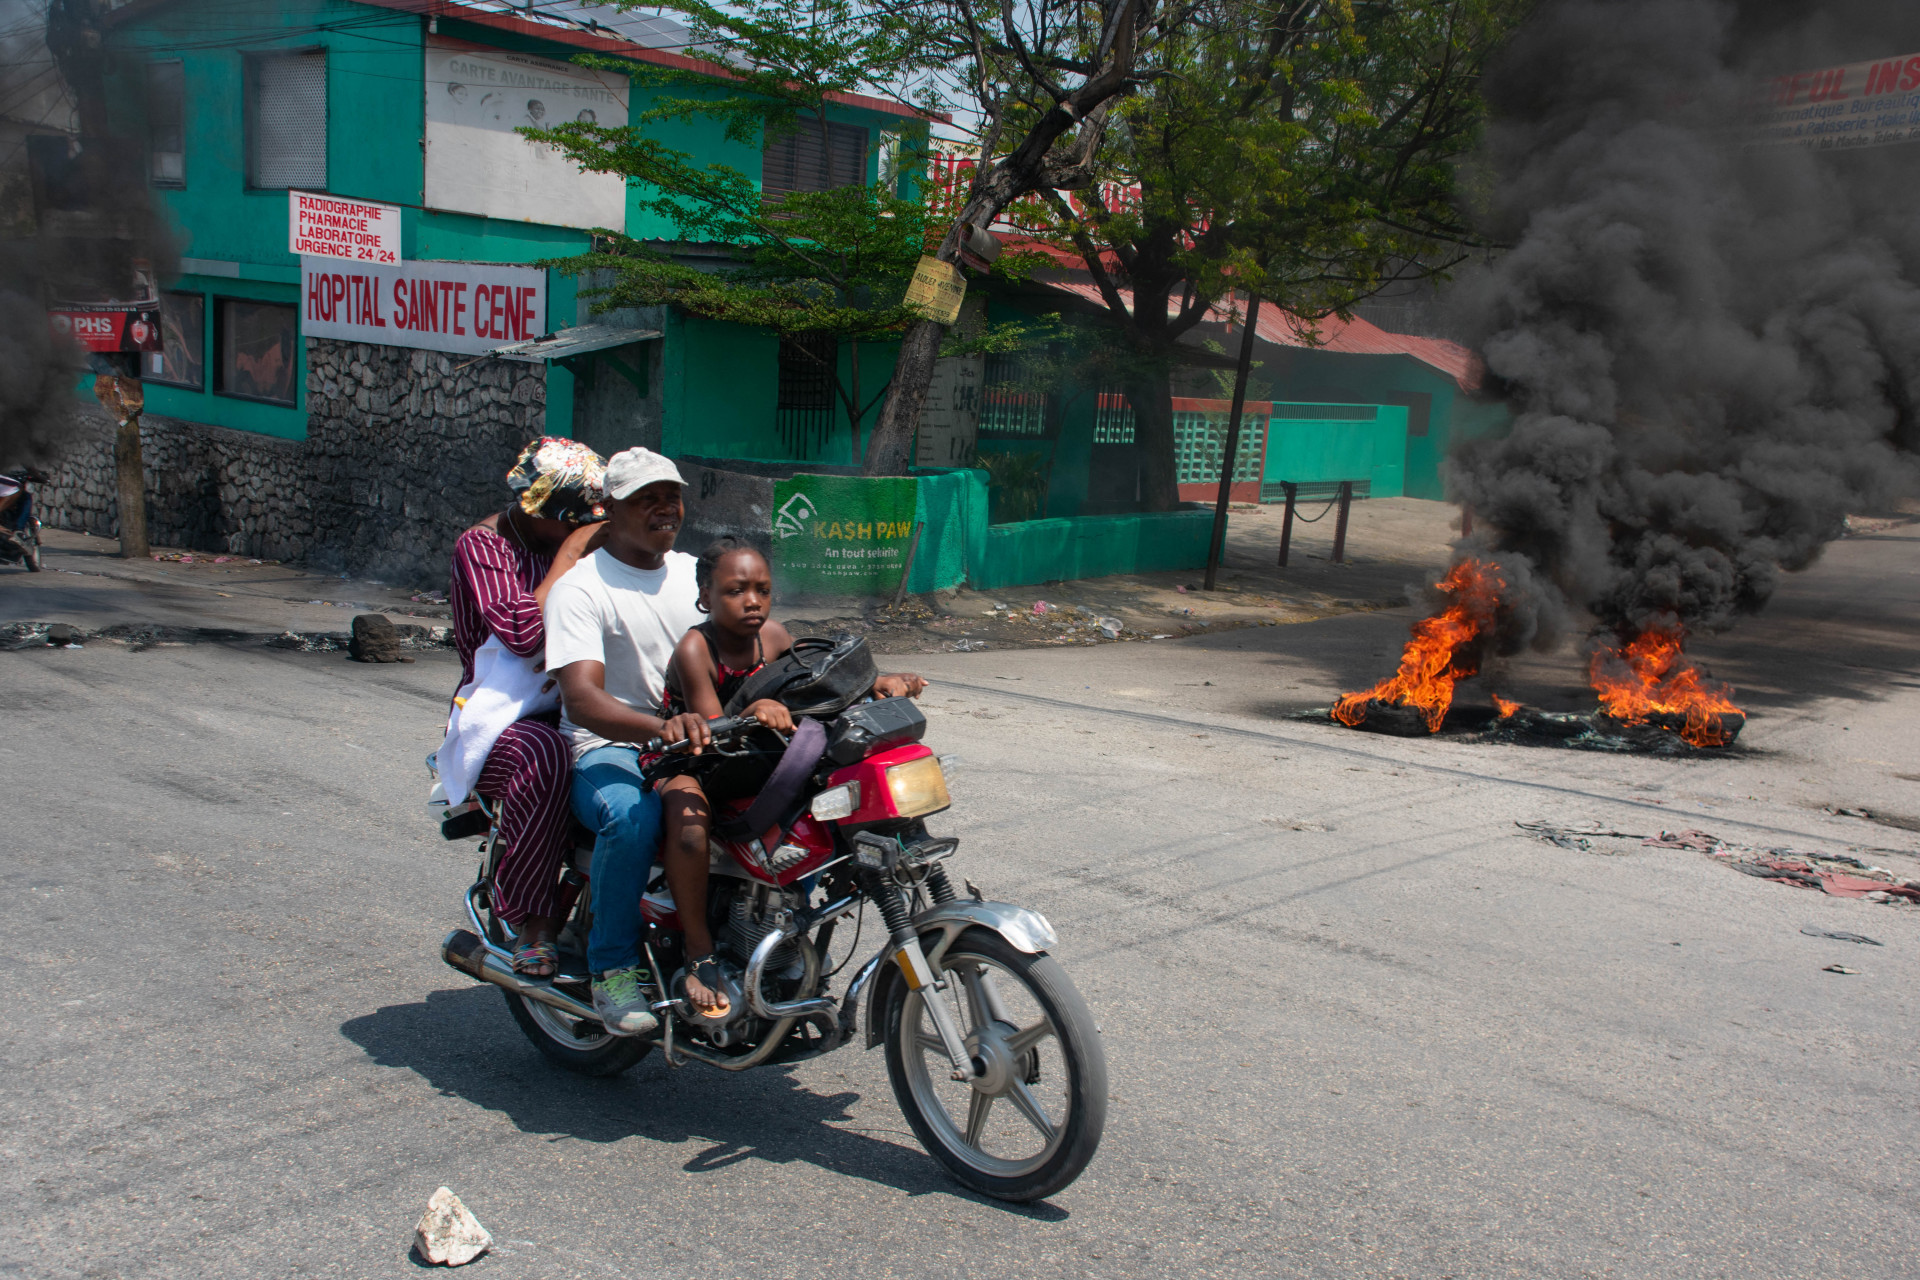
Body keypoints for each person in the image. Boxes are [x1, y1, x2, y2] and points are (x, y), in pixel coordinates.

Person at [650, 537, 927, 1014]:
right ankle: (699, 952)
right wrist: (755, 707)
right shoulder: (696, 648)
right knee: (691, 826)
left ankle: (785, 926)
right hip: (693, 761)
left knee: (823, 809)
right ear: (705, 596)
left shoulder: (773, 637)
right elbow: (711, 729)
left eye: (762, 589)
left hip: (756, 758)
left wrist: (875, 682)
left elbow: (818, 681)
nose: (753, 601)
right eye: (736, 590)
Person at [543, 448, 708, 1035]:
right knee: (631, 815)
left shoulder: (694, 574)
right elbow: (583, 699)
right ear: (610, 509)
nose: (666, 508)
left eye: (672, 496)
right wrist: (660, 728)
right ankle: (610, 969)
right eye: (647, 499)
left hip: (697, 735)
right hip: (607, 744)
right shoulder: (581, 590)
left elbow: (760, 635)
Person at [447, 437, 608, 978]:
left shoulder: (585, 545)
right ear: (544, 511)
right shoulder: (485, 545)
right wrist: (568, 557)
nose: (585, 529)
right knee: (544, 755)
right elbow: (522, 632)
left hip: (579, 695)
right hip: (503, 717)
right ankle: (533, 922)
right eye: (574, 521)